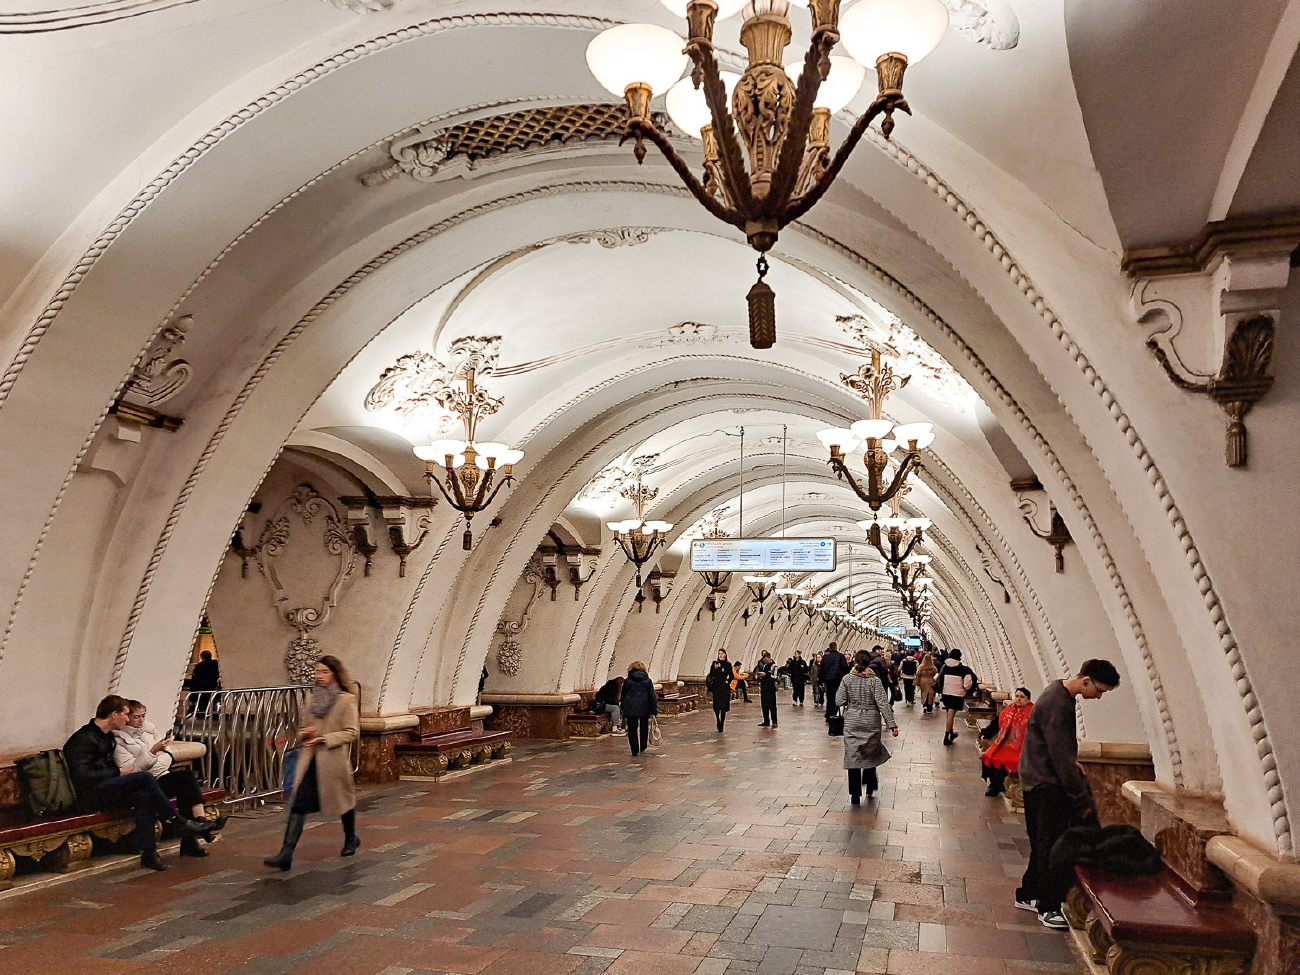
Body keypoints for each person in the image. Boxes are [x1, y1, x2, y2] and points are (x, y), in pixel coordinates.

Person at [1016, 659, 1120, 931]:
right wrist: (1080, 797)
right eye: (1098, 690)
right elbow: (1061, 757)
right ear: (1085, 680)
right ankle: (1048, 907)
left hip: (1036, 777)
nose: (1097, 697)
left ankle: (1027, 894)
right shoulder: (1059, 703)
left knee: (1042, 840)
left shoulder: (1057, 691)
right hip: (1045, 783)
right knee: (1051, 844)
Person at [64, 695, 213, 872]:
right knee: (144, 778)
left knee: (145, 795)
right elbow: (81, 776)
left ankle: (149, 853)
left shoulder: (106, 737)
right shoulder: (83, 739)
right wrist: (117, 772)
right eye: (126, 715)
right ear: (114, 714)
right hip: (91, 794)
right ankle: (176, 820)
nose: (127, 719)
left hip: (110, 787)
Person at [265, 655, 360, 870]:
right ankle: (286, 853)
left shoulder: (346, 700)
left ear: (335, 674)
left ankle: (350, 838)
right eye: (317, 672)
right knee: (299, 804)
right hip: (310, 760)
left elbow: (352, 732)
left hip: (332, 761)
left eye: (324, 672)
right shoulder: (312, 699)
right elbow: (302, 728)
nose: (320, 676)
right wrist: (304, 733)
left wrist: (325, 738)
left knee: (343, 802)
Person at [114, 700, 222, 858]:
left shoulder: (148, 731)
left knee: (186, 778)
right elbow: (134, 769)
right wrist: (153, 752)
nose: (141, 720)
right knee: (155, 795)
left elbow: (165, 756)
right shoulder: (119, 740)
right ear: (127, 718)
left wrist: (159, 754)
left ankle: (200, 821)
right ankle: (191, 834)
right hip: (142, 782)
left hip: (158, 775)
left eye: (143, 716)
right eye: (136, 717)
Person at [836, 650, 899, 804]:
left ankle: (855, 794)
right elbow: (883, 704)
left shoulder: (847, 679)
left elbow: (839, 700)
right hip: (872, 720)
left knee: (853, 756)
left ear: (855, 661)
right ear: (869, 662)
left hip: (852, 720)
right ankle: (870, 784)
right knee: (870, 752)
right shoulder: (875, 681)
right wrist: (892, 725)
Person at [981, 687, 1033, 796]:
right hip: (1005, 744)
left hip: (1022, 749)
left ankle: (997, 784)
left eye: (1022, 697)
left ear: (1028, 700)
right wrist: (986, 734)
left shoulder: (1033, 713)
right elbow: (996, 723)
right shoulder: (1009, 709)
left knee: (1003, 760)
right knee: (989, 756)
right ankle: (995, 784)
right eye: (1017, 696)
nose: (1018, 699)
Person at [936, 649, 976, 745]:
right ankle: (947, 736)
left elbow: (939, 679)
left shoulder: (944, 667)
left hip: (946, 693)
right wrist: (965, 690)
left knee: (949, 713)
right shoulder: (964, 669)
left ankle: (951, 733)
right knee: (951, 714)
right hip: (957, 695)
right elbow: (968, 684)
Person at [619, 661, 658, 756]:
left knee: (632, 729)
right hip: (645, 707)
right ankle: (643, 746)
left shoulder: (628, 680)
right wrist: (654, 709)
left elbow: (623, 695)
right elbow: (652, 696)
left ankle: (634, 749)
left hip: (630, 707)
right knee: (644, 727)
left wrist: (623, 708)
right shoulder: (647, 681)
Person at [820, 642, 849, 725]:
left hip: (828, 681)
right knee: (838, 697)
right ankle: (835, 714)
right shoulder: (841, 656)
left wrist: (821, 681)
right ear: (836, 648)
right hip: (838, 681)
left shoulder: (825, 658)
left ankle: (828, 715)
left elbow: (821, 670)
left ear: (829, 648)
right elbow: (845, 668)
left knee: (829, 698)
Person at [706, 649, 735, 732]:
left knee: (723, 706)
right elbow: (711, 675)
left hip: (724, 687)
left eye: (722, 653)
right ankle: (718, 719)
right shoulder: (715, 664)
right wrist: (715, 669)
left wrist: (728, 681)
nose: (720, 655)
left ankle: (722, 722)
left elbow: (732, 676)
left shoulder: (728, 665)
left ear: (725, 655)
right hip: (716, 687)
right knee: (716, 705)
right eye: (719, 653)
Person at [187, 649, 221, 717]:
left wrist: (192, 696)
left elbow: (195, 680)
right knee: (212, 702)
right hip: (213, 687)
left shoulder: (199, 667)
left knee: (203, 704)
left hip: (202, 688)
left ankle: (202, 715)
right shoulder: (216, 665)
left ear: (202, 657)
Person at [754, 650, 779, 728]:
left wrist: (766, 674)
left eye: (766, 659)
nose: (765, 661)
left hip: (771, 688)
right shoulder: (765, 666)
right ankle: (766, 720)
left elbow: (774, 676)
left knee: (772, 705)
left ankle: (774, 721)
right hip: (764, 687)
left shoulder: (774, 666)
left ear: (769, 658)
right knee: (764, 704)